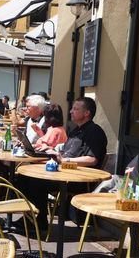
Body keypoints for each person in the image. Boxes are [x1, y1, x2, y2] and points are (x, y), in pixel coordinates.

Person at [17, 97, 108, 231]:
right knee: (23, 177)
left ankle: (39, 221)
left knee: (36, 182)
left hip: (78, 179)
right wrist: (51, 151)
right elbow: (64, 152)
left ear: (87, 113)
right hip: (63, 172)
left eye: (75, 109)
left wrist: (65, 160)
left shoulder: (95, 131)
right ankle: (30, 217)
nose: (71, 111)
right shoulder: (76, 130)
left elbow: (92, 159)